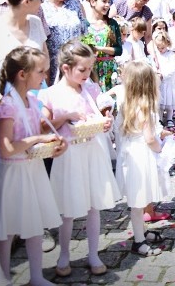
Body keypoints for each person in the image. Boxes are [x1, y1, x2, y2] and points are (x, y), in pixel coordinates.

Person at [39, 40, 119, 278]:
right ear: (65, 68)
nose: (87, 74)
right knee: (68, 208)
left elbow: (104, 109)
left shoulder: (91, 88)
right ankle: (64, 255)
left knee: (94, 205)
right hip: (69, 154)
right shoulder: (50, 94)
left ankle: (93, 253)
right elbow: (44, 127)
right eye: (82, 70)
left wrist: (107, 120)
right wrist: (65, 116)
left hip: (92, 150)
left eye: (89, 69)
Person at [0, 47, 65, 286]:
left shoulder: (32, 101)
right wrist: (38, 139)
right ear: (23, 74)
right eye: (41, 72)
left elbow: (40, 130)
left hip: (32, 169)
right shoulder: (8, 105)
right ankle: (3, 278)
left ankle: (36, 276)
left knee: (35, 223)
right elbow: (6, 148)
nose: (45, 76)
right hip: (13, 172)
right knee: (6, 228)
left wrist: (55, 141)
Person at [114, 61, 173, 256]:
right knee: (138, 200)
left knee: (138, 198)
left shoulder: (126, 103)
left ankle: (143, 232)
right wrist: (160, 149)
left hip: (130, 154)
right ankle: (138, 241)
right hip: (140, 156)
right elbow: (149, 138)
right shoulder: (144, 106)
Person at [42, 0, 87, 84]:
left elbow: (85, 35)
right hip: (51, 74)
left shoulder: (74, 4)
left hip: (77, 72)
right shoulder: (40, 6)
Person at [85, 0, 123, 92]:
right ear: (93, 2)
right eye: (104, 1)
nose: (107, 5)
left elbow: (119, 50)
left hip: (109, 71)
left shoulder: (111, 24)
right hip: (92, 70)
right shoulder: (86, 24)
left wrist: (100, 48)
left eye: (109, 2)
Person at [147, 30, 175, 128]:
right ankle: (160, 118)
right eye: (158, 48)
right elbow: (151, 65)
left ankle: (169, 117)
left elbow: (173, 68)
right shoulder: (155, 56)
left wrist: (164, 75)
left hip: (169, 82)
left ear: (167, 44)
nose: (160, 50)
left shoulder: (171, 55)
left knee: (169, 101)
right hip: (159, 82)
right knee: (159, 101)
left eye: (163, 47)